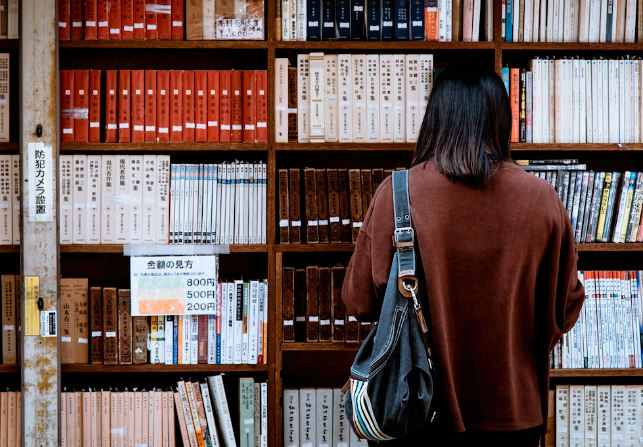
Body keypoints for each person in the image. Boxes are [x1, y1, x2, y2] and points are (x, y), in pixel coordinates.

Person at [341, 63, 585, 446]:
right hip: (514, 411)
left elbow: (359, 302)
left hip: (414, 407)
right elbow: (566, 308)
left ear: (435, 117)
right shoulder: (543, 200)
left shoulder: (397, 193)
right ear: (501, 120)